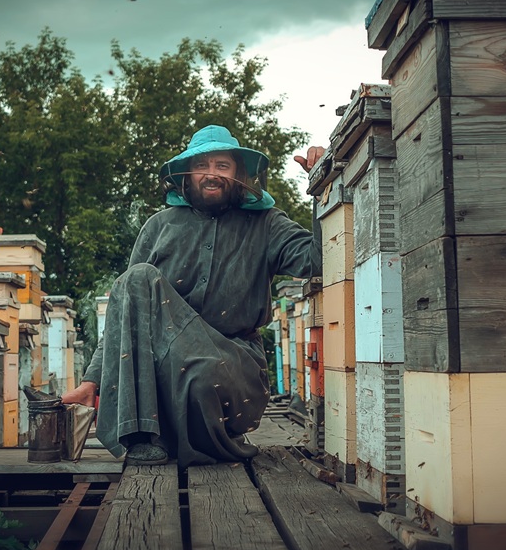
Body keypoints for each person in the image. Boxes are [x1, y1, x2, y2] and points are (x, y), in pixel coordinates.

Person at [62, 124, 323, 466]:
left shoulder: (268, 224)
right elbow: (126, 309)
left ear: (239, 174)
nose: (211, 175)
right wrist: (91, 381)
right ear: (186, 176)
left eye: (222, 166)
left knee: (202, 374)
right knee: (135, 278)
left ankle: (205, 432)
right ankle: (140, 435)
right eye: (202, 166)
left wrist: (324, 185)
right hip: (166, 370)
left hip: (234, 367)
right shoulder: (158, 227)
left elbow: (317, 260)